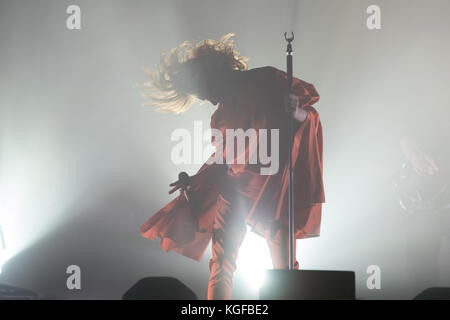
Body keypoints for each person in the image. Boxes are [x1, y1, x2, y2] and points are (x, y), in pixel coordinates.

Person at [139, 33, 325, 299]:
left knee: (284, 267)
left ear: (212, 75)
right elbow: (225, 160)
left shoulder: (267, 80)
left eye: (204, 93)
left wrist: (295, 111)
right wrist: (195, 179)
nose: (208, 101)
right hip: (235, 190)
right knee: (222, 265)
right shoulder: (220, 117)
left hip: (274, 190)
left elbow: (310, 117)